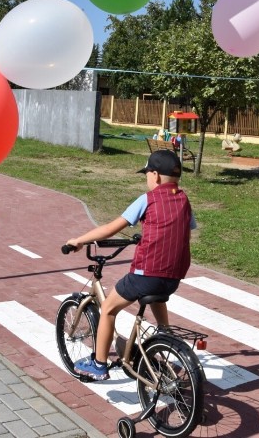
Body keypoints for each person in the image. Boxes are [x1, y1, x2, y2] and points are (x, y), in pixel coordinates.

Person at [65, 149, 196, 381]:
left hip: (146, 274)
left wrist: (79, 240)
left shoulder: (148, 199)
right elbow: (181, 229)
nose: (146, 178)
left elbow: (110, 228)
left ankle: (99, 364)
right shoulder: (184, 200)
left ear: (155, 175)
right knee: (156, 294)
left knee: (108, 309)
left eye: (146, 174)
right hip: (174, 276)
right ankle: (165, 338)